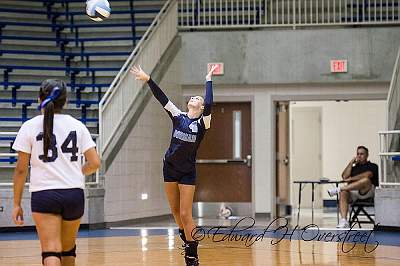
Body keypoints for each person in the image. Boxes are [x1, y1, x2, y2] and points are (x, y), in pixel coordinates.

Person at [130, 65, 217, 266]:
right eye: (193, 97)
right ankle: (186, 238)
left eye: (199, 99)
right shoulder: (178, 116)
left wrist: (208, 79)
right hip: (169, 168)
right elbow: (161, 98)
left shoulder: (204, 123)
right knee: (176, 212)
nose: (195, 99)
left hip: (187, 171)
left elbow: (210, 102)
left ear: (202, 107)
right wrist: (148, 79)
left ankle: (192, 255)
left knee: (186, 213)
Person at [12, 79, 101, 266]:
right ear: (65, 101)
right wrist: (78, 171)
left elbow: (21, 170)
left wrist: (16, 203)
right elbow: (95, 163)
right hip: (73, 194)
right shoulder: (78, 126)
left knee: (51, 249)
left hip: (44, 194)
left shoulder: (29, 126)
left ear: (39, 99)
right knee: (68, 249)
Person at [327, 146, 379, 228]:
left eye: (362, 154)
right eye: (358, 154)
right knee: (343, 193)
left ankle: (339, 189)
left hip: (367, 191)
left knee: (366, 180)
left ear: (367, 155)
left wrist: (351, 178)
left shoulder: (373, 166)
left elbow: (368, 175)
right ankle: (344, 221)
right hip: (354, 192)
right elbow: (344, 177)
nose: (359, 156)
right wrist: (351, 163)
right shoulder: (354, 167)